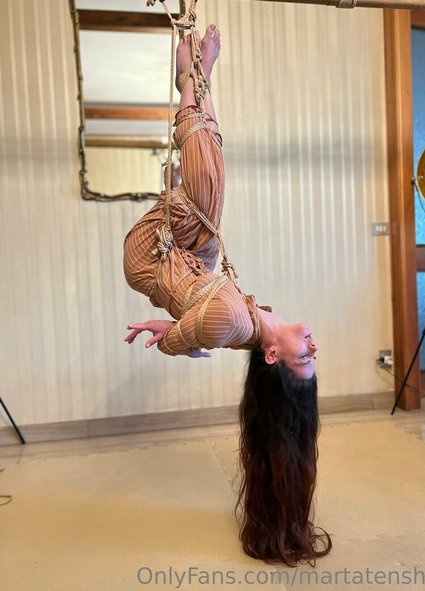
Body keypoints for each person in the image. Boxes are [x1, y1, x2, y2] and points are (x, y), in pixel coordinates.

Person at [123, 25, 332, 566]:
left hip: (151, 257)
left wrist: (175, 338)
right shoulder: (247, 324)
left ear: (273, 356)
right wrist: (175, 329)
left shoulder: (236, 323)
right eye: (314, 356)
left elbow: (200, 333)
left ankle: (192, 80)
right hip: (189, 260)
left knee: (205, 191)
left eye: (304, 357)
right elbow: (197, 330)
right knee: (211, 193)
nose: (313, 346)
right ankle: (195, 79)